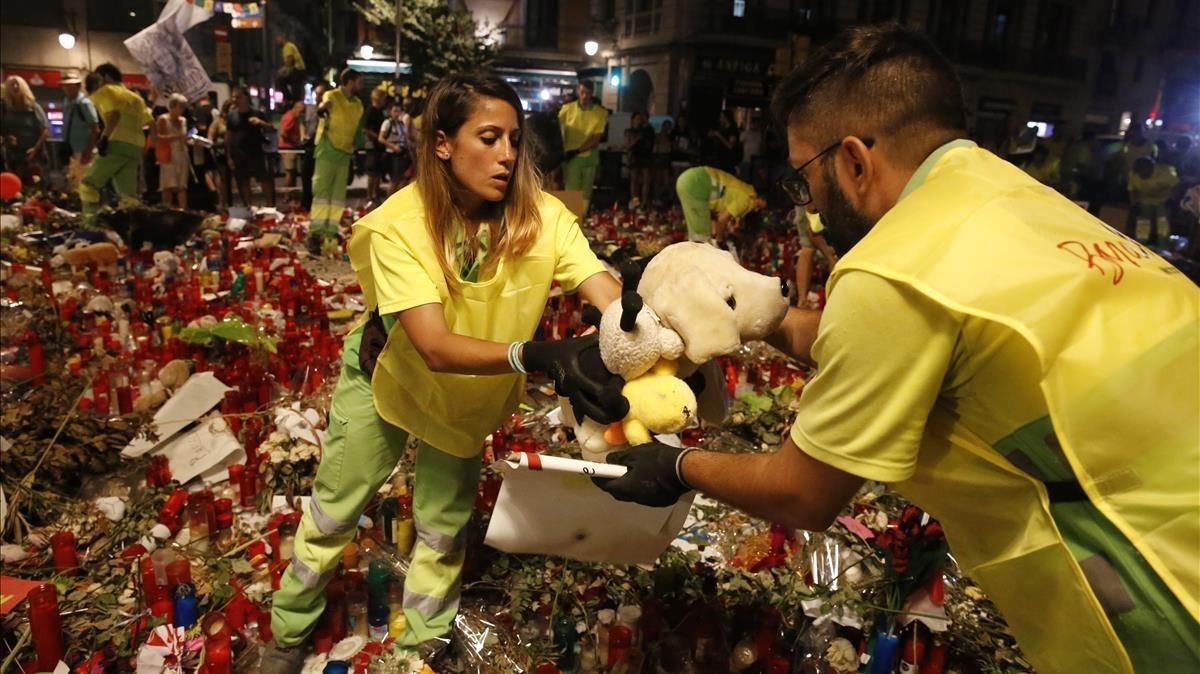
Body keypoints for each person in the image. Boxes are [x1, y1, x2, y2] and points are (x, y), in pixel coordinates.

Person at [595, 24, 1198, 674]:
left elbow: (803, 494)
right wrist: (758, 316)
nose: (809, 208)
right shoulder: (1017, 198)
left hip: (1157, 582)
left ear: (853, 160)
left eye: (805, 180)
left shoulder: (892, 266)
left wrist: (674, 466)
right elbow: (889, 349)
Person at [264, 72, 628, 671]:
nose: (508, 154)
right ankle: (289, 630)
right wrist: (536, 356)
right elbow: (431, 345)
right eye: (489, 137)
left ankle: (418, 651)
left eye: (515, 139)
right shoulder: (400, 226)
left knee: (442, 527)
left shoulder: (541, 219)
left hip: (467, 396)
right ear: (442, 144)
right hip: (391, 378)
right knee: (336, 510)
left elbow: (600, 289)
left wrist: (632, 324)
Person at [79, 63, 152, 220]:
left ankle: (90, 223)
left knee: (88, 185)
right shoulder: (136, 98)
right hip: (134, 149)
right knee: (128, 197)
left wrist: (104, 138)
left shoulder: (106, 91)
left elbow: (114, 115)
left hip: (115, 144)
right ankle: (133, 230)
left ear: (105, 77)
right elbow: (150, 124)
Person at [309, 69, 365, 251]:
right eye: (359, 81)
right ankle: (316, 234)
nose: (362, 85)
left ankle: (331, 232)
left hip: (345, 155)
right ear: (350, 81)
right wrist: (322, 109)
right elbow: (323, 106)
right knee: (322, 194)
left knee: (338, 197)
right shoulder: (332, 95)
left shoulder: (358, 105)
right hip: (327, 150)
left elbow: (358, 130)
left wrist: (359, 149)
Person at [674, 164, 765, 243]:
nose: (757, 209)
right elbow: (722, 220)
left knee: (697, 232)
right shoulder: (746, 199)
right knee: (701, 240)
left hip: (691, 178)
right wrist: (720, 239)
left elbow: (719, 219)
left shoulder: (745, 191)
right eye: (760, 206)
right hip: (697, 184)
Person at [558, 80, 608, 213]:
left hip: (589, 157)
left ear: (593, 94)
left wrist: (577, 150)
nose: (585, 96)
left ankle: (582, 220)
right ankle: (571, 224)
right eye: (582, 92)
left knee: (586, 193)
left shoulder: (600, 113)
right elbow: (557, 129)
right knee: (571, 191)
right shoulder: (567, 110)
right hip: (571, 158)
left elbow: (596, 138)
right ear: (578, 92)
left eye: (588, 93)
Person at [225, 87, 275, 209]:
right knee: (243, 181)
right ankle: (248, 206)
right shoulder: (232, 115)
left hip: (256, 152)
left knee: (264, 179)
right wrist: (229, 156)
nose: (235, 100)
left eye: (238, 97)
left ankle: (270, 205)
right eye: (233, 97)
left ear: (246, 98)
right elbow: (228, 137)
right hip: (239, 153)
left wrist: (260, 122)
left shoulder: (257, 113)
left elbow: (271, 129)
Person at [1, 76, 49, 185]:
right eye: (11, 84)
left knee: (36, 184)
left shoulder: (33, 107)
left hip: (34, 153)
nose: (15, 86)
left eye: (17, 83)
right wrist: (7, 137)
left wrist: (35, 148)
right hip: (14, 154)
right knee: (16, 185)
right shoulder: (6, 109)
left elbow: (45, 130)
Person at [59, 71, 100, 191]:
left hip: (83, 150)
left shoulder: (84, 103)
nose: (67, 89)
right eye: (65, 86)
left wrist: (88, 151)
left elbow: (95, 129)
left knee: (84, 184)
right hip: (71, 150)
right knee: (73, 183)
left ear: (78, 86)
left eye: (70, 86)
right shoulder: (67, 102)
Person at [1128, 155, 1180, 247]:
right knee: (1143, 224)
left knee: (1162, 224)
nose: (1141, 175)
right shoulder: (1134, 174)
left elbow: (1176, 186)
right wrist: (1134, 204)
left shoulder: (1165, 173)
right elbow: (1132, 190)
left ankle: (1163, 247)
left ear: (1150, 168)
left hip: (1163, 200)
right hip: (1144, 200)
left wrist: (1172, 199)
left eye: (1143, 172)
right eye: (1139, 173)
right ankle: (1140, 245)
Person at [154, 93, 191, 209]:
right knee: (168, 185)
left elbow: (184, 137)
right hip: (168, 155)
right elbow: (156, 138)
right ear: (173, 106)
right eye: (181, 107)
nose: (182, 110)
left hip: (182, 154)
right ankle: (167, 209)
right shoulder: (163, 119)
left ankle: (182, 210)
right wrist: (175, 137)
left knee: (182, 185)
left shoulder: (183, 120)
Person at [301, 82, 329, 210]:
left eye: (321, 94)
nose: (318, 96)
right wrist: (303, 134)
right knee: (307, 174)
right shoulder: (310, 108)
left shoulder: (330, 111)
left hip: (324, 146)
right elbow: (302, 122)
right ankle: (306, 204)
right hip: (310, 145)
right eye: (316, 94)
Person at [377, 101, 414, 194]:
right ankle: (388, 200)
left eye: (399, 111)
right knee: (394, 180)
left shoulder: (401, 124)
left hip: (403, 153)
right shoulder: (387, 123)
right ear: (391, 112)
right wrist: (393, 147)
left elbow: (405, 138)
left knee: (403, 178)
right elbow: (381, 138)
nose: (397, 114)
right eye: (394, 111)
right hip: (393, 154)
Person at [362, 88, 390, 207]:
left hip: (379, 145)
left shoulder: (380, 111)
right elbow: (365, 129)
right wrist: (377, 136)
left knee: (377, 171)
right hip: (372, 145)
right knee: (372, 172)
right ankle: (370, 195)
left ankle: (376, 195)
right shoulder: (371, 110)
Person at [624, 111, 655, 207]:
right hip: (634, 156)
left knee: (646, 180)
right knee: (634, 180)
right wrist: (637, 138)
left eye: (640, 119)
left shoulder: (646, 130)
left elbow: (650, 144)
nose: (639, 121)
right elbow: (627, 145)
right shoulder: (629, 131)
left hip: (645, 156)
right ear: (632, 120)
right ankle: (635, 202)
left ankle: (644, 201)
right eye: (637, 119)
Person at [207, 105, 230, 212]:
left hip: (233, 152)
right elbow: (210, 136)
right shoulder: (217, 122)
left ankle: (229, 203)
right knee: (223, 180)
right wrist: (212, 148)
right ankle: (222, 204)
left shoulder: (233, 121)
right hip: (221, 152)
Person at [279, 100, 305, 189]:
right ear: (295, 108)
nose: (302, 114)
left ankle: (291, 194)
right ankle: (288, 195)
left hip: (291, 147)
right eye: (301, 111)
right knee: (290, 172)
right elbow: (283, 132)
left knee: (292, 173)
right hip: (288, 148)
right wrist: (295, 141)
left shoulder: (293, 117)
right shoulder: (290, 117)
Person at [275, 35, 306, 103]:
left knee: (284, 82)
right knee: (293, 86)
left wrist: (282, 70)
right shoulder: (287, 47)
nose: (277, 43)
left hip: (298, 69)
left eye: (278, 40)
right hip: (298, 70)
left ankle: (292, 101)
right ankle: (292, 100)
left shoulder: (287, 46)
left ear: (283, 39)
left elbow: (290, 60)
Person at [651, 118, 673, 203]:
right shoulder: (659, 135)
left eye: (669, 127)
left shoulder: (670, 136)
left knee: (666, 180)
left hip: (666, 157)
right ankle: (656, 197)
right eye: (666, 126)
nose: (667, 128)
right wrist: (655, 156)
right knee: (658, 179)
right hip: (659, 157)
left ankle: (661, 196)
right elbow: (655, 147)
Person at [739, 116, 764, 185]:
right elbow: (740, 146)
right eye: (754, 123)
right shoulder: (745, 134)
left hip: (757, 161)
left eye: (757, 124)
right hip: (746, 160)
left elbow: (761, 147)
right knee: (744, 180)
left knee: (755, 181)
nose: (755, 125)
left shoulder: (760, 135)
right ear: (751, 124)